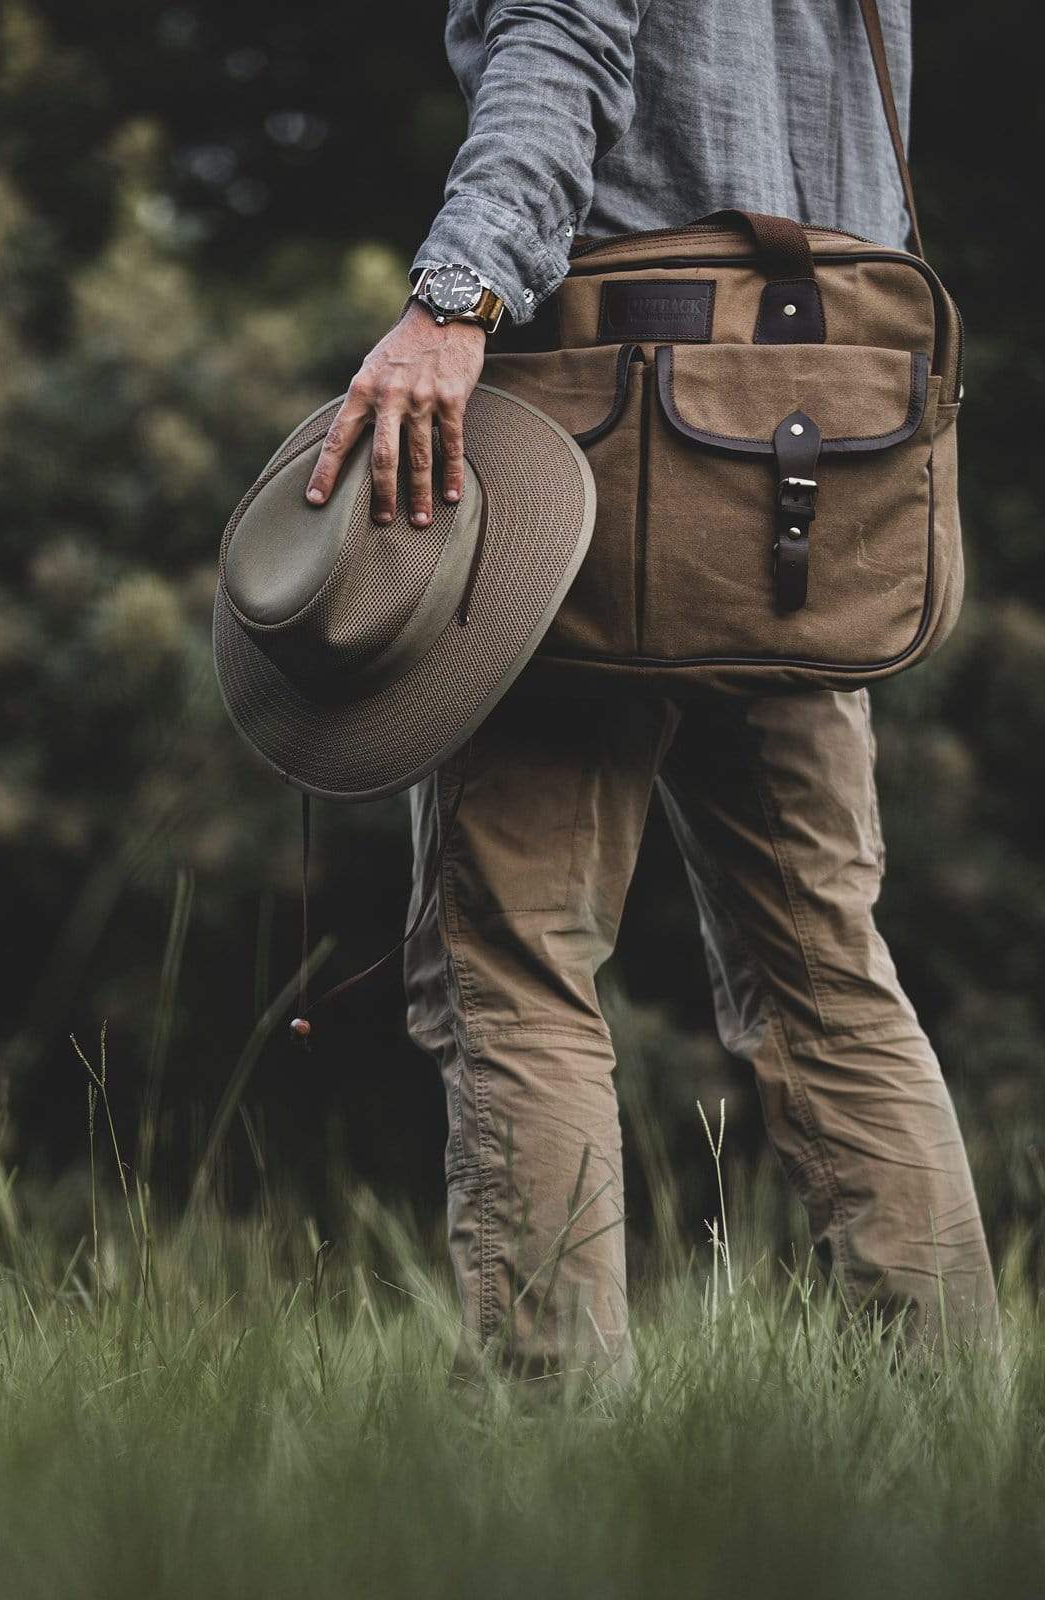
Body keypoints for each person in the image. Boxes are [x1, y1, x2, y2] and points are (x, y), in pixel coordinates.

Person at [303, 0, 998, 1379]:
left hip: (598, 461)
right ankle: (951, 1447)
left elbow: (562, 40)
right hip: (808, 459)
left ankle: (560, 1463)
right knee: (829, 977)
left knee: (517, 962)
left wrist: (455, 300)